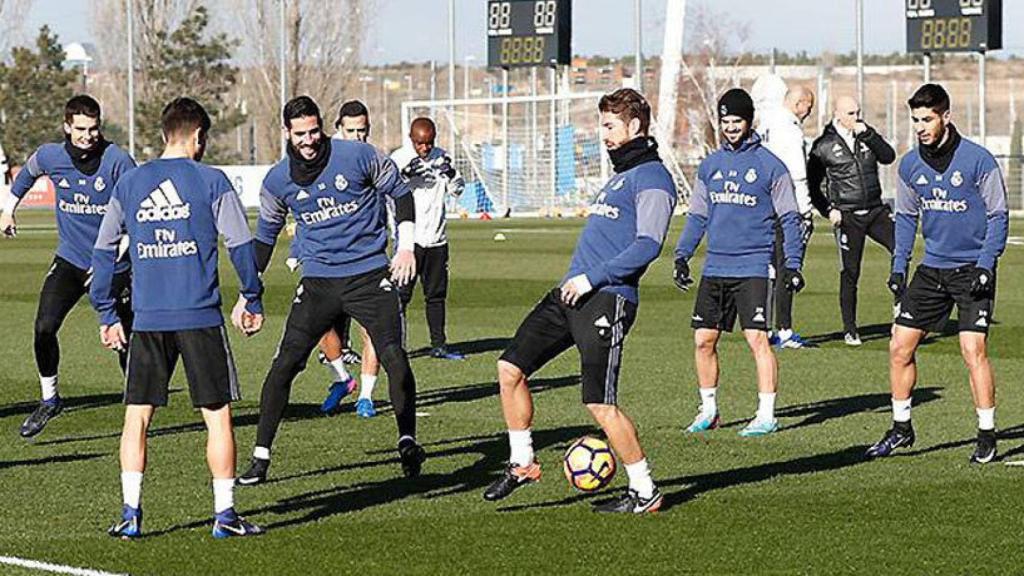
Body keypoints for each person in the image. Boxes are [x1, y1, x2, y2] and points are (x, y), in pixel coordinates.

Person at [483, 88, 674, 514]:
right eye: (601, 124)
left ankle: (645, 491)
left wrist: (593, 278)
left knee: (599, 403)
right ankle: (522, 463)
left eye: (610, 125)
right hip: (571, 295)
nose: (602, 133)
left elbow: (648, 245)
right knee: (509, 368)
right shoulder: (621, 176)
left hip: (606, 298)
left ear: (635, 126)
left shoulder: (653, 178)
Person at [90, 97, 265, 539]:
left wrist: (107, 312)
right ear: (198, 136)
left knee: (137, 418)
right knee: (217, 416)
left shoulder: (130, 183)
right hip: (199, 316)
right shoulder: (211, 181)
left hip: (148, 319)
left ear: (164, 133)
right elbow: (240, 245)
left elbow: (103, 250)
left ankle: (130, 513)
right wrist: (251, 295)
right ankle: (224, 515)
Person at [238, 96, 424, 486]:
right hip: (319, 281)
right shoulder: (277, 181)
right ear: (287, 133)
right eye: (299, 134)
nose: (308, 140)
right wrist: (247, 292)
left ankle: (407, 440)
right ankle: (259, 458)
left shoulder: (357, 156)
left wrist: (405, 246)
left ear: (322, 127)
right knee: (284, 364)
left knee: (393, 355)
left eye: (313, 131)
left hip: (370, 274)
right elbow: (265, 237)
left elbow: (401, 194)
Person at [865, 84, 1007, 464]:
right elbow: (908, 219)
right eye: (915, 120)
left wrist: (986, 264)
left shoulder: (979, 161)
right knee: (899, 347)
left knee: (972, 350)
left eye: (927, 119)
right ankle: (901, 428)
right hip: (932, 270)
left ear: (946, 116)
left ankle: (987, 434)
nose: (921, 126)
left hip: (971, 270)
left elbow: (998, 215)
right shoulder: (910, 165)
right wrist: (899, 268)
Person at [1, 95, 136, 438]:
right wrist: (8, 209)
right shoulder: (50, 155)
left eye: (93, 129)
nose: (87, 136)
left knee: (124, 340)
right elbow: (26, 175)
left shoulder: (118, 160)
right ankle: (50, 400)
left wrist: (112, 257)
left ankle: (137, 405)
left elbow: (138, 214)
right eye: (80, 129)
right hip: (71, 259)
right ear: (67, 127)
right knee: (44, 326)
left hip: (114, 262)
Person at [674, 88, 805, 437]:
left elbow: (790, 218)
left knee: (757, 340)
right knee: (703, 340)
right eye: (726, 121)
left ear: (750, 122)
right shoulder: (710, 166)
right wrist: (682, 254)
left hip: (753, 268)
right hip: (715, 267)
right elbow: (698, 216)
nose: (731, 127)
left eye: (737, 121)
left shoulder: (770, 166)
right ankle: (709, 410)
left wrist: (793, 263)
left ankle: (766, 415)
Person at [807, 95, 897, 346]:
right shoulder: (823, 145)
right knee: (851, 271)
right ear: (837, 115)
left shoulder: (866, 135)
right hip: (847, 215)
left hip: (876, 210)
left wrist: (868, 134)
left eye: (858, 112)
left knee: (902, 247)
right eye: (850, 114)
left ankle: (899, 299)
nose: (855, 118)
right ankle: (850, 328)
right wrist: (828, 210)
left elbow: (888, 156)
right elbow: (813, 187)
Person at [316, 100, 384, 418]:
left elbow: (396, 202)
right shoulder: (321, 162)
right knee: (319, 326)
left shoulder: (374, 161)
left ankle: (366, 397)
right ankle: (342, 379)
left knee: (371, 330)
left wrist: (403, 246)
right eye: (351, 130)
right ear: (338, 130)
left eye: (363, 131)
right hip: (327, 261)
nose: (358, 137)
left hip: (367, 261)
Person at [391, 117, 466, 360]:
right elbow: (387, 191)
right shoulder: (399, 158)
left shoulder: (441, 156)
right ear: (411, 138)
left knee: (436, 295)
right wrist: (405, 176)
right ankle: (397, 346)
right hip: (409, 241)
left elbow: (457, 189)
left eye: (429, 143)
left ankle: (439, 344)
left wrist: (451, 174)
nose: (424, 148)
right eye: (420, 143)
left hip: (437, 238)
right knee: (401, 296)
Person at [757, 82, 815, 349]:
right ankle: (785, 330)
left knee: (767, 268)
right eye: (808, 106)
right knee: (788, 268)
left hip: (762, 207)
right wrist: (805, 211)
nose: (809, 112)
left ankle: (763, 326)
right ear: (798, 103)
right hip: (786, 209)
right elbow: (798, 175)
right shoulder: (791, 131)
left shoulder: (765, 125)